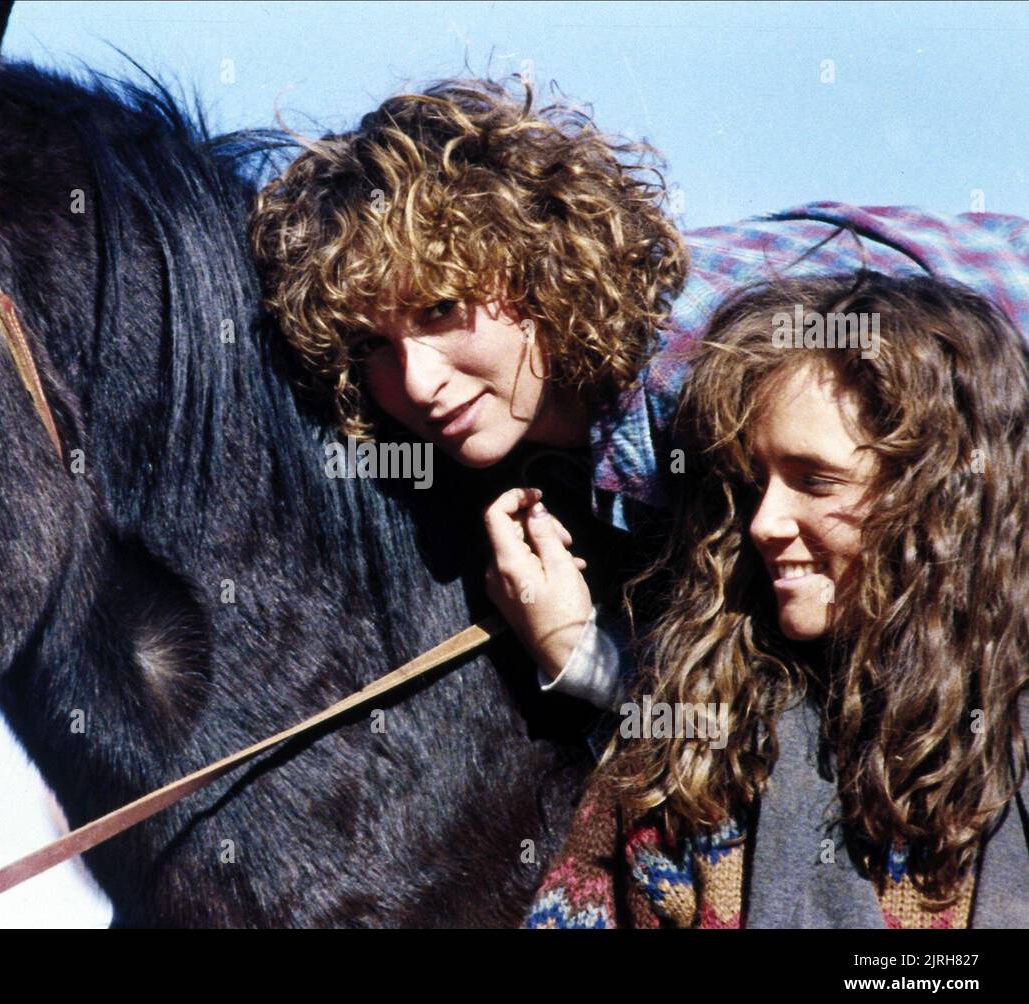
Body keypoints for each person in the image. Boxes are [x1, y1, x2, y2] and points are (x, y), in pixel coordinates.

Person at [248, 76, 1029, 723]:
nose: (418, 383)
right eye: (371, 346)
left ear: (540, 265)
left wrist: (582, 656)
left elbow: (859, 703)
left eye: (441, 310)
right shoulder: (595, 404)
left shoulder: (716, 382)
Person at [523, 271, 1029, 928]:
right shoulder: (690, 771)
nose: (763, 522)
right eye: (752, 480)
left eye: (815, 481)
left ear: (945, 502)